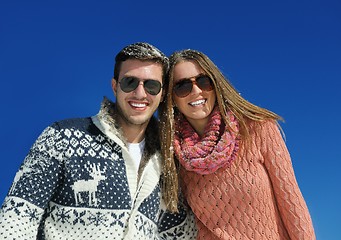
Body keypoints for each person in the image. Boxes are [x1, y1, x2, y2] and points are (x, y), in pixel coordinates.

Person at [0, 42, 197, 239]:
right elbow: (16, 219)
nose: (140, 93)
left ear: (162, 94)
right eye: (130, 82)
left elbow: (182, 234)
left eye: (151, 85)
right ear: (115, 87)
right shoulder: (62, 137)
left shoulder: (167, 163)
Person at [159, 49, 316, 239]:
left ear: (215, 84)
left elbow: (292, 203)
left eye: (203, 81)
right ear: (171, 98)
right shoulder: (174, 158)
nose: (196, 91)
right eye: (182, 86)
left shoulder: (258, 128)